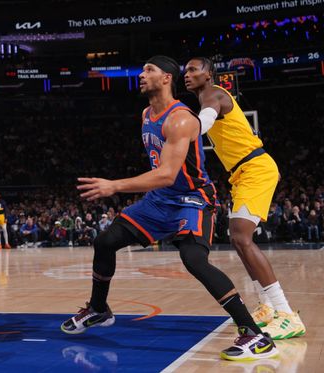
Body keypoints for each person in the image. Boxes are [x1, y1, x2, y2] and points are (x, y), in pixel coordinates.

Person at [61, 56, 277, 361]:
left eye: (149, 70)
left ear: (166, 79)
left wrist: (114, 185)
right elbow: (160, 176)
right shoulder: (147, 114)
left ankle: (254, 333)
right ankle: (98, 308)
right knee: (105, 241)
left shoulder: (181, 118)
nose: (141, 74)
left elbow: (167, 173)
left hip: (192, 198)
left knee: (194, 260)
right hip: (160, 199)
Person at [184, 57, 305, 340]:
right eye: (185, 71)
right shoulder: (205, 97)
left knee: (241, 237)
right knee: (238, 238)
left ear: (209, 74)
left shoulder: (214, 94)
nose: (187, 75)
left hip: (255, 168)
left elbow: (203, 123)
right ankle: (268, 307)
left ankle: (286, 314)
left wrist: (182, 130)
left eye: (193, 69)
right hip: (242, 173)